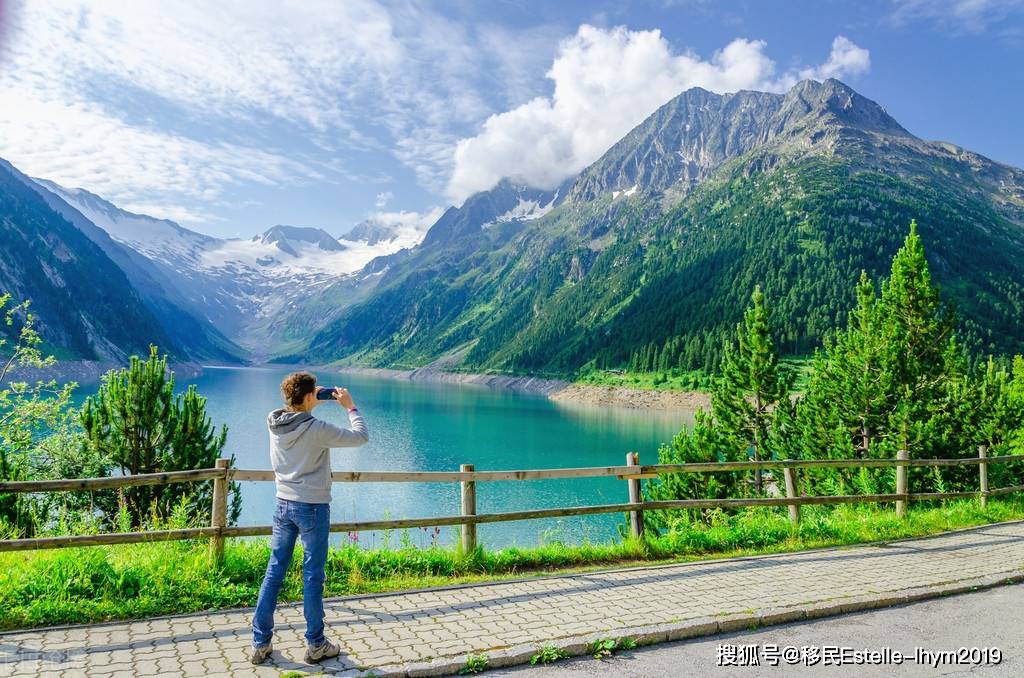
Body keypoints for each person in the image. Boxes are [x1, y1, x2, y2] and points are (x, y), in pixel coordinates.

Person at [251, 371, 369, 665]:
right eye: (313, 391)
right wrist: (349, 406)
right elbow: (361, 437)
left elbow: (296, 412)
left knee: (274, 571)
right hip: (313, 507)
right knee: (313, 575)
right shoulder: (317, 429)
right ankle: (316, 644)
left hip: (283, 505)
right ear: (307, 397)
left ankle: (260, 642)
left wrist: (311, 400)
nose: (318, 393)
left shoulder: (273, 421)